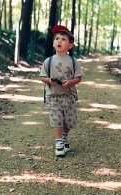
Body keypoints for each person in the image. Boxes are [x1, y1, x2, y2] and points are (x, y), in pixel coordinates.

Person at [39, 25, 83, 157]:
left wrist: (70, 82)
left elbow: (78, 77)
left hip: (69, 96)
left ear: (70, 45)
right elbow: (42, 76)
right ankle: (58, 144)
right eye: (57, 38)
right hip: (53, 96)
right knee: (56, 119)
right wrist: (49, 81)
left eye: (63, 39)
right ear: (53, 43)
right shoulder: (49, 61)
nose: (59, 41)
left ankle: (64, 136)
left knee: (69, 121)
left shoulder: (73, 61)